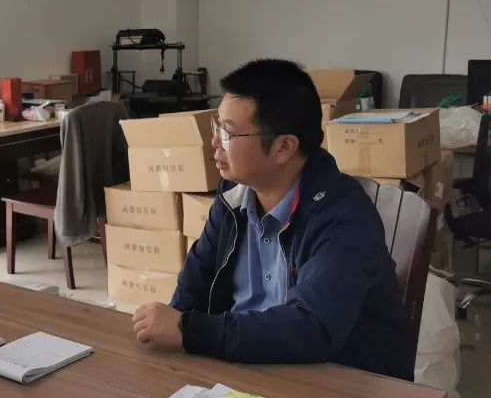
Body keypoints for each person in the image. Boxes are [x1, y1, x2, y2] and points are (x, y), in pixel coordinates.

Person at [130, 59, 414, 380]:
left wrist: (189, 330)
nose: (215, 143)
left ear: (283, 147)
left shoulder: (343, 216)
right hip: (249, 368)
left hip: (338, 379)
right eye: (217, 127)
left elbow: (313, 329)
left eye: (228, 133)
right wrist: (173, 323)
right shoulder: (232, 199)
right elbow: (193, 287)